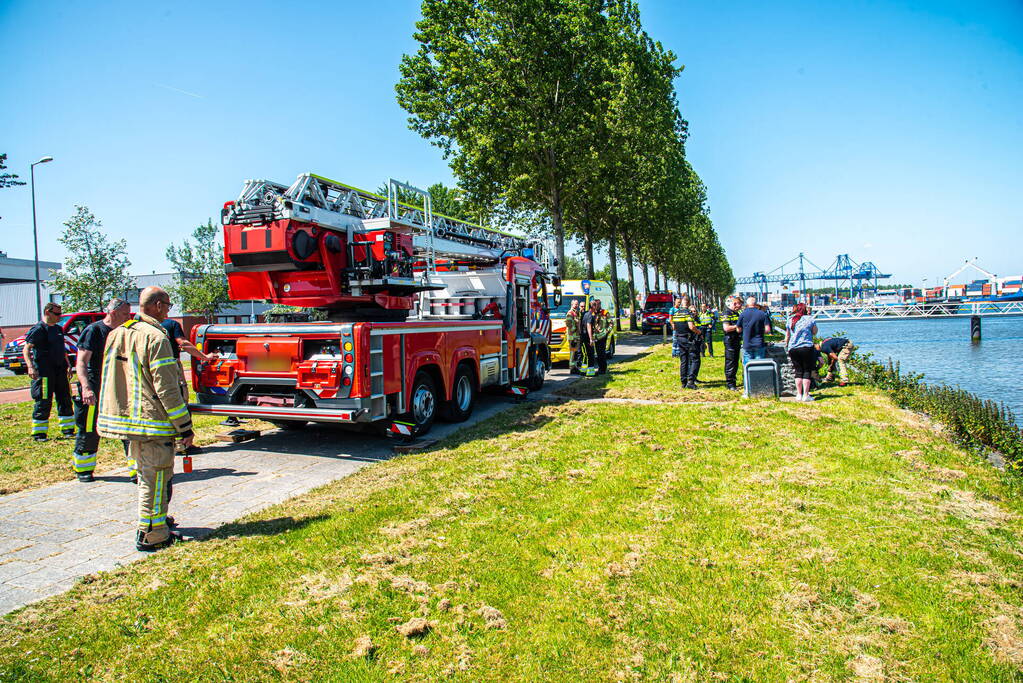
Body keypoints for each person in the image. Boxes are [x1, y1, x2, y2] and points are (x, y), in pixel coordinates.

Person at [99, 287, 193, 552]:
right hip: (153, 423)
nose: (169, 311)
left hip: (129, 422)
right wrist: (184, 426)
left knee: (145, 477)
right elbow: (167, 389)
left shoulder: (118, 333)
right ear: (158, 306)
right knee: (157, 479)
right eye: (168, 305)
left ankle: (154, 525)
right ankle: (152, 535)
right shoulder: (156, 337)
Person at [71, 298, 132, 482]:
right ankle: (84, 470)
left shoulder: (125, 331)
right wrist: (86, 388)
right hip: (95, 385)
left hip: (118, 385)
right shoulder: (94, 331)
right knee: (89, 428)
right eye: (124, 314)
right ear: (113, 313)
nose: (128, 317)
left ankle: (136, 470)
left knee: (127, 428)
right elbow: (81, 362)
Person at [23, 302, 74, 441]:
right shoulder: (38, 329)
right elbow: (26, 349)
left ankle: (68, 430)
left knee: (65, 398)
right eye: (57, 314)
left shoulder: (58, 329)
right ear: (47, 312)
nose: (59, 317)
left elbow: (61, 348)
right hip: (44, 372)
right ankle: (39, 433)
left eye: (60, 314)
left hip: (60, 370)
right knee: (44, 400)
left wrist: (68, 364)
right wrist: (30, 367)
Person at [784, 303, 818, 402]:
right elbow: (815, 332)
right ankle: (806, 395)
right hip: (806, 347)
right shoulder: (810, 319)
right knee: (807, 371)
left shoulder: (790, 319)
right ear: (805, 310)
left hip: (793, 348)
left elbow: (787, 336)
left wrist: (787, 344)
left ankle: (798, 394)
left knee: (798, 371)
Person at [670, 295, 701, 390]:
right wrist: (698, 332)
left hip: (679, 338)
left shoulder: (676, 313)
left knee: (684, 360)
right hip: (689, 339)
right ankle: (691, 381)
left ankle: (683, 382)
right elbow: (691, 326)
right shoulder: (688, 313)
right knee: (695, 359)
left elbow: (674, 327)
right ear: (689, 302)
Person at [737, 296, 773, 364]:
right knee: (759, 365)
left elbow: (738, 329)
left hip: (747, 343)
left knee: (748, 365)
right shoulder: (762, 314)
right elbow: (767, 330)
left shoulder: (742, 314)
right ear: (756, 304)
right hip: (759, 343)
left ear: (747, 304)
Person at [720, 296, 743, 391]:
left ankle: (733, 380)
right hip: (730, 340)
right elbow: (726, 328)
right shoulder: (727, 313)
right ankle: (730, 383)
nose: (740, 306)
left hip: (736, 339)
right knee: (730, 361)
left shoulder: (736, 313)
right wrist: (737, 326)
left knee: (735, 361)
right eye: (740, 304)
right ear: (734, 303)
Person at [589, 299, 610, 375]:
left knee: (602, 353)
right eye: (594, 305)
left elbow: (611, 323)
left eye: (597, 305)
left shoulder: (605, 312)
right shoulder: (593, 313)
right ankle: (600, 368)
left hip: (602, 336)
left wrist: (606, 332)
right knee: (598, 353)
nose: (595, 306)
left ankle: (603, 369)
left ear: (600, 305)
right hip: (596, 336)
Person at [565, 299, 583, 374]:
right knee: (572, 353)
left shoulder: (576, 312)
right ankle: (572, 368)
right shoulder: (570, 313)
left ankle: (575, 367)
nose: (576, 305)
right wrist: (575, 329)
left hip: (576, 336)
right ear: (572, 304)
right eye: (575, 304)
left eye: (577, 304)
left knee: (575, 353)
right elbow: (568, 323)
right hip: (572, 337)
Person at [580, 301, 596, 377]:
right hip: (587, 337)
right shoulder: (590, 315)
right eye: (595, 306)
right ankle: (590, 372)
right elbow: (588, 325)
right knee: (591, 354)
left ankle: (583, 371)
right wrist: (591, 339)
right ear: (593, 307)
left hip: (583, 337)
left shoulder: (585, 314)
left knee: (585, 355)